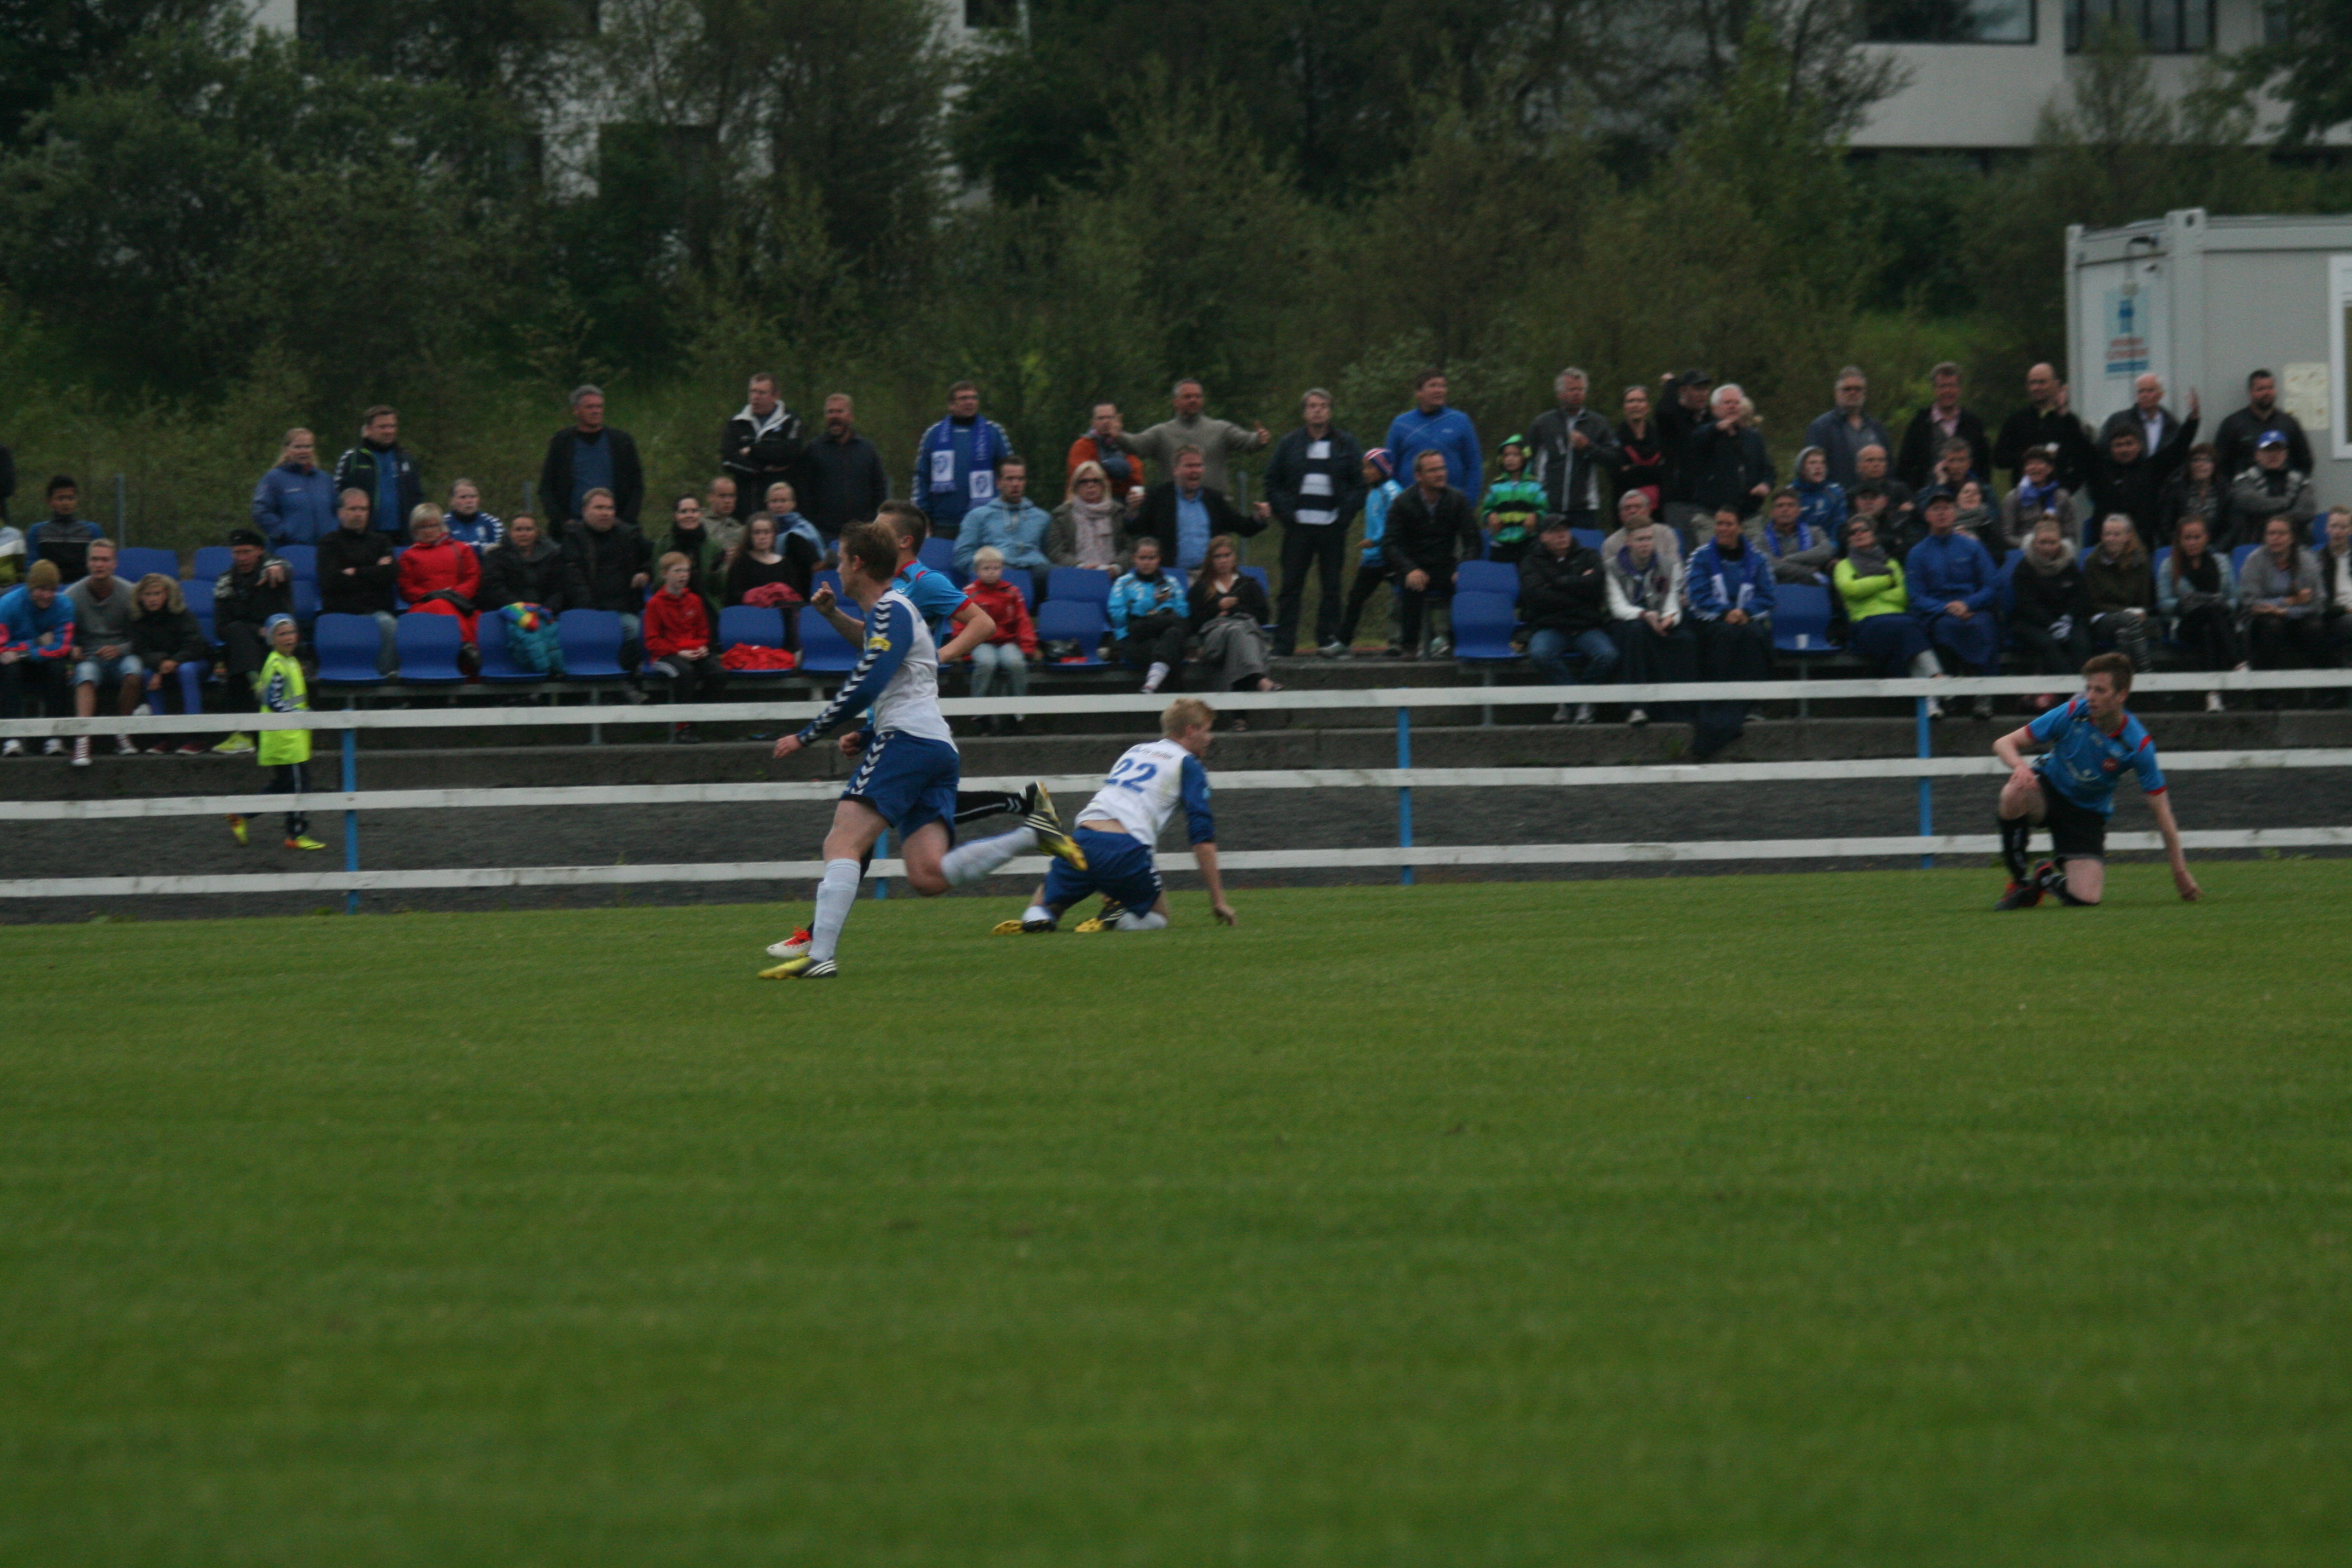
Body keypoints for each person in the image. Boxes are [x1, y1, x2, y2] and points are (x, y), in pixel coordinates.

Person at [757, 520, 1086, 980]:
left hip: (908, 741)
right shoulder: (893, 611)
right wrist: (868, 733)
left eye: (841, 560)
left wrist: (808, 734)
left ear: (857, 564)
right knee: (928, 875)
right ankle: (1031, 835)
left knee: (843, 841)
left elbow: (868, 681)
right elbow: (904, 681)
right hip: (933, 745)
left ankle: (819, 955)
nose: (837, 569)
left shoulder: (892, 609)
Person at [987, 697, 1236, 936]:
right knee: (1157, 915)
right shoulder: (1188, 764)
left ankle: (1036, 917)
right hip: (1127, 848)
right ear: (1191, 730)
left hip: (1083, 839)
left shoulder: (1136, 751)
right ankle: (1117, 918)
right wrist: (1218, 900)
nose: (1210, 738)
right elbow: (1202, 835)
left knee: (1046, 902)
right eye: (1207, 730)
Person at [1991, 653, 2197, 908]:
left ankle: (2044, 879)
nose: (2090, 696)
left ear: (2121, 695)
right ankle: (2020, 883)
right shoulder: (2071, 712)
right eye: (2088, 688)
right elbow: (2004, 743)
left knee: (2086, 898)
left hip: (2086, 812)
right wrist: (2020, 766)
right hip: (2047, 790)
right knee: (2013, 792)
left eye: (2100, 690)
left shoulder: (2138, 744)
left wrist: (2180, 871)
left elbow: (2162, 811)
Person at [1258, 387, 1364, 657]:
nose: (1318, 410)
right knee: (1291, 586)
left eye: (1323, 406)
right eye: (1313, 406)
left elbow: (1359, 484)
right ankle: (1284, 643)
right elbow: (1271, 481)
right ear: (1305, 412)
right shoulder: (1289, 443)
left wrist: (1344, 515)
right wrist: (1286, 513)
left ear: (1330, 411)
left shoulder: (1346, 444)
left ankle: (1328, 640)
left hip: (1332, 527)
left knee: (1332, 587)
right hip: (1298, 528)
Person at [221, 615, 327, 851]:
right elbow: (274, 701)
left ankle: (241, 816)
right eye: (282, 634)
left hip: (289, 737)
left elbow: (287, 699)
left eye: (291, 633)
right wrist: (300, 714)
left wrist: (303, 711)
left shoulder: (288, 661)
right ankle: (296, 834)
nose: (289, 638)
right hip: (285, 738)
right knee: (298, 786)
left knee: (283, 784)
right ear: (272, 639)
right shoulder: (278, 664)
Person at [1683, 506, 1775, 758]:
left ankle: (1753, 703)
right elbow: (1697, 595)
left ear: (1740, 528)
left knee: (1754, 635)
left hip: (1746, 618)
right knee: (1726, 634)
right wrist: (1725, 612)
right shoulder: (1701, 557)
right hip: (1712, 620)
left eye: (1729, 524)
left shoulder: (1758, 559)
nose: (1723, 529)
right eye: (1719, 524)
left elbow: (1767, 596)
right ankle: (1719, 702)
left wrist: (1745, 612)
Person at [1907, 489, 2001, 716]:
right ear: (1927, 515)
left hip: (1974, 610)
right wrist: (1946, 608)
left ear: (1955, 512)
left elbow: (1991, 585)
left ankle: (1984, 694)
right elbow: (1916, 596)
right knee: (1944, 628)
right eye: (1936, 509)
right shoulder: (1917, 553)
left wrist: (1969, 604)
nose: (1942, 513)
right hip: (1938, 613)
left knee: (1984, 626)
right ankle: (1946, 694)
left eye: (1947, 508)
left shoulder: (1973, 547)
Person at [1601, 511, 1696, 727]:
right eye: (1640, 539)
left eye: (1649, 538)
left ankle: (1682, 707)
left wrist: (1669, 619)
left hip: (1660, 617)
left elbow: (1673, 598)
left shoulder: (1669, 564)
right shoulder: (1612, 567)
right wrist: (1644, 615)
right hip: (1628, 621)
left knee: (1687, 640)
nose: (1645, 544)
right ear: (1628, 541)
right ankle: (1636, 706)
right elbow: (1617, 607)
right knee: (1637, 632)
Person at [1384, 448, 1480, 659]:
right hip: (1415, 565)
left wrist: (1464, 568)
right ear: (1419, 476)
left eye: (1442, 468)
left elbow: (1473, 540)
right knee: (1412, 585)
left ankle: (1457, 644)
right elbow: (1390, 545)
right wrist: (1409, 569)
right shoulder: (1402, 503)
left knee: (1466, 585)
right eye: (1433, 470)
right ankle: (1410, 647)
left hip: (1446, 566)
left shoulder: (1457, 499)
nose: (1440, 474)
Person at [1518, 515, 1615, 722]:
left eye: (1565, 530)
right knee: (1540, 654)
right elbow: (1536, 596)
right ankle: (1580, 702)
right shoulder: (1530, 561)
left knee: (1608, 655)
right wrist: (1579, 587)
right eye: (1555, 531)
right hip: (1549, 626)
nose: (1562, 535)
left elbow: (1597, 588)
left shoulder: (1589, 555)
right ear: (1543, 537)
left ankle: (1570, 700)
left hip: (1586, 626)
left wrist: (1557, 583)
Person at [211, 529, 293, 755]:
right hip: (244, 642)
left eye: (247, 552)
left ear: (259, 551)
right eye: (236, 552)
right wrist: (256, 630)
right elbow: (221, 627)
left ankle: (241, 734)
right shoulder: (225, 581)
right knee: (237, 635)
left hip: (274, 642)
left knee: (238, 663)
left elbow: (285, 568)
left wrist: (279, 568)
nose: (241, 558)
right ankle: (256, 683)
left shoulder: (272, 569)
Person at [1832, 514, 1938, 686]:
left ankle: (1928, 693)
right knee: (1908, 629)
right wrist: (1887, 582)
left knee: (1908, 630)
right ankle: (1935, 680)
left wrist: (1869, 591)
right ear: (1849, 539)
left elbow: (1903, 597)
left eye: (1864, 530)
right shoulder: (1843, 566)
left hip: (1898, 620)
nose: (1858, 534)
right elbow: (1851, 589)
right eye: (1853, 532)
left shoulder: (1892, 563)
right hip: (1865, 622)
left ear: (1873, 534)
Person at [1118, 378, 1270, 494]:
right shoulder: (1162, 433)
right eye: (1188, 397)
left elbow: (1247, 441)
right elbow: (1136, 445)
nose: (1193, 400)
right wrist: (1118, 435)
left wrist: (1259, 439)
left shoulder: (1220, 429)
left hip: (1215, 506)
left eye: (1198, 396)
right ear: (1175, 402)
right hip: (1175, 507)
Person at [64, 538, 142, 763]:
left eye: (105, 560)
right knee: (85, 674)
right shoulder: (71, 595)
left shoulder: (130, 593)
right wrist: (72, 648)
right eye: (95, 559)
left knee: (134, 670)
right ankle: (82, 739)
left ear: (114, 563)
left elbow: (142, 637)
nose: (100, 565)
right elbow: (63, 634)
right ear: (88, 563)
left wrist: (121, 649)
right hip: (89, 657)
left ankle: (122, 732)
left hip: (121, 656)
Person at [2157, 515, 2241, 711]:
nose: (2192, 542)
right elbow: (2164, 604)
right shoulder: (2169, 566)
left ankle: (2212, 695)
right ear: (2179, 540)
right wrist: (2189, 604)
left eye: (2197, 537)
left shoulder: (2222, 562)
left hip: (2217, 622)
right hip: (2186, 623)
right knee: (2211, 608)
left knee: (2209, 628)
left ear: (2206, 538)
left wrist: (2220, 604)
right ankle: (2237, 662)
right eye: (2187, 538)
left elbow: (2234, 599)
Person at [2005, 518, 2092, 708]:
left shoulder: (2069, 565)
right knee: (2048, 643)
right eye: (2043, 542)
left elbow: (2080, 597)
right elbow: (2026, 604)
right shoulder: (2025, 568)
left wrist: (2068, 619)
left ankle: (2084, 687)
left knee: (2080, 641)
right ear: (2034, 543)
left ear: (2060, 543)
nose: (2047, 547)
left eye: (2052, 543)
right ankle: (2071, 693)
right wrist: (2050, 624)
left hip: (2067, 619)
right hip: (2031, 622)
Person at [911, 381, 1011, 541]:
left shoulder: (994, 433)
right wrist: (922, 513)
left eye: (974, 398)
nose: (970, 402)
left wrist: (1004, 509)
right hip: (943, 522)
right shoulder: (934, 434)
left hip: (985, 520)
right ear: (951, 405)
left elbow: (1008, 474)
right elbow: (922, 476)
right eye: (964, 398)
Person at [1130, 445, 1253, 572]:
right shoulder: (1158, 497)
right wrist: (1133, 510)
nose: (1195, 470)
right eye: (1189, 466)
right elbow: (1134, 529)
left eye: (1199, 466)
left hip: (1208, 575)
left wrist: (1259, 517)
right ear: (1175, 471)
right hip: (1171, 574)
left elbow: (1242, 526)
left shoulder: (1214, 499)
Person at [559, 488, 652, 656]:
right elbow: (574, 580)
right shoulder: (574, 539)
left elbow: (655, 557)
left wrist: (646, 572)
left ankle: (626, 669)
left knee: (639, 632)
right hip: (589, 612)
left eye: (610, 508)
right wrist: (592, 613)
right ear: (585, 511)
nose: (606, 513)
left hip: (624, 610)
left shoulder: (629, 535)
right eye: (599, 508)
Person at [2238, 513, 2329, 684]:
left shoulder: (2307, 561)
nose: (2275, 538)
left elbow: (2319, 603)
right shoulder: (2255, 560)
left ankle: (2325, 687)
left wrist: (2286, 612)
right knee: (2272, 625)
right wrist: (2288, 602)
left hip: (2298, 619)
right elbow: (2249, 602)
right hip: (2262, 621)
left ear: (2292, 537)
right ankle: (2264, 687)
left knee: (2315, 627)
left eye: (2282, 534)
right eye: (2271, 533)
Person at [1526, 366, 1620, 531]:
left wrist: (1588, 447)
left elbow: (1615, 459)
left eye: (1581, 390)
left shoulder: (1598, 423)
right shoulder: (1542, 424)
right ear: (1560, 394)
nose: (1577, 394)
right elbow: (1526, 462)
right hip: (1547, 506)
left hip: (1584, 508)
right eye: (1572, 390)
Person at [317, 488, 399, 674]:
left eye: (363, 509)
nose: (359, 514)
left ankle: (384, 679)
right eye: (353, 509)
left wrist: (355, 572)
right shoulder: (329, 544)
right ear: (340, 513)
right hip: (341, 611)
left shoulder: (381, 541)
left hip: (376, 612)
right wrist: (374, 570)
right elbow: (331, 581)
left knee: (389, 625)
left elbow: (390, 574)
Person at [641, 552, 723, 738]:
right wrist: (678, 652)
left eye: (686, 571)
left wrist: (703, 647)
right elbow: (653, 642)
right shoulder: (655, 604)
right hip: (665, 655)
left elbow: (703, 632)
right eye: (677, 571)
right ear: (664, 574)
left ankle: (696, 717)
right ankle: (682, 727)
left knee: (718, 673)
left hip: (693, 651)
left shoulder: (695, 600)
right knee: (685, 673)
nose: (683, 576)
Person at [539, 385, 645, 529]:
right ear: (576, 410)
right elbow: (546, 487)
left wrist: (625, 520)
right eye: (589, 407)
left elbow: (637, 485)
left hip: (616, 527)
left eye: (599, 406)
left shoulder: (621, 442)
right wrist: (562, 521)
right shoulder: (562, 442)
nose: (596, 411)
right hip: (573, 528)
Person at [0, 559, 75, 753]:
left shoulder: (64, 606)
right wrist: (38, 642)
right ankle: (11, 738)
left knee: (58, 667)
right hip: (15, 665)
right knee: (10, 669)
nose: (47, 596)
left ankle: (54, 736)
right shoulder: (7, 605)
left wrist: (23, 653)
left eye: (52, 590)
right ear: (30, 587)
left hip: (39, 662)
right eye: (41, 589)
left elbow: (62, 647)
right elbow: (1, 649)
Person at [2086, 419, 2194, 551]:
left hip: (2142, 547)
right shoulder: (2101, 470)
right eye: (2118, 445)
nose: (2124, 450)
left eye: (2129, 444)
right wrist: (2065, 416)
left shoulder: (2151, 470)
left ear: (2140, 446)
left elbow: (2179, 448)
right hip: (2105, 546)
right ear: (2111, 448)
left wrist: (2192, 421)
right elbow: (2080, 447)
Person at [1188, 535, 1278, 695]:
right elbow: (1193, 623)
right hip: (1215, 640)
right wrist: (1217, 608)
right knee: (1238, 631)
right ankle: (1259, 679)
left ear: (1234, 557)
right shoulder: (1201, 588)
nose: (1223, 560)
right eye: (1218, 556)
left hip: (1244, 634)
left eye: (1227, 555)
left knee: (1238, 634)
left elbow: (1263, 616)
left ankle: (1239, 704)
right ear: (1210, 560)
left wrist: (1234, 609)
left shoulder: (1249, 584)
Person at [128, 574, 208, 751]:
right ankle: (161, 737)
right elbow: (141, 651)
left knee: (187, 670)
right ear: (140, 597)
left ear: (167, 595)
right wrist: (161, 664)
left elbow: (195, 646)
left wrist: (174, 662)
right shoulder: (138, 621)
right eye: (148, 594)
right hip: (161, 667)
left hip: (193, 663)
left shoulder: (183, 615)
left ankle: (195, 736)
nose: (152, 599)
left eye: (157, 594)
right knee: (147, 674)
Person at [962, 545, 1037, 726]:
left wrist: (1027, 647)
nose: (991, 572)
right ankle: (978, 711)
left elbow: (1023, 621)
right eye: (986, 568)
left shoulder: (1013, 592)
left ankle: (1018, 710)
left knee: (1015, 662)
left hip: (1007, 641)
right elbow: (961, 623)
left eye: (996, 568)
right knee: (987, 662)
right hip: (980, 642)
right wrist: (964, 650)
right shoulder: (969, 594)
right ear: (977, 570)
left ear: (1002, 569)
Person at [1384, 369, 1483, 505]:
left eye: (1442, 386)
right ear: (1418, 393)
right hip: (1411, 506)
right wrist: (1397, 503)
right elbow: (1389, 468)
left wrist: (1469, 501)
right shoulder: (1401, 424)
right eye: (1433, 386)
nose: (1439, 391)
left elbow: (1474, 465)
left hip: (1453, 505)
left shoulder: (1460, 421)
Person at [953, 455, 1053, 590]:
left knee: (1051, 574)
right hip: (996, 576)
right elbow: (962, 556)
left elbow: (1049, 553)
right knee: (1005, 575)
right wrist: (986, 570)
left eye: (1020, 479)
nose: (1016, 484)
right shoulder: (978, 516)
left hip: (1037, 574)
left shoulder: (1042, 518)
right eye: (1010, 479)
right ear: (999, 483)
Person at [1337, 449, 1400, 655]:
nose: (1365, 472)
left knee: (1404, 597)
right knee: (1356, 597)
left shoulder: (1392, 491)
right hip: (1373, 558)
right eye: (1364, 467)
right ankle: (1343, 642)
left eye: (1370, 467)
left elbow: (1394, 523)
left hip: (1391, 555)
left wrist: (1375, 540)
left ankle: (1409, 641)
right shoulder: (1373, 491)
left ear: (1382, 467)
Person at [802, 393, 889, 543]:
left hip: (862, 531)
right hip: (823, 533)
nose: (834, 416)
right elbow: (803, 490)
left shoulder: (867, 450)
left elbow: (880, 488)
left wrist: (876, 521)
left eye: (840, 411)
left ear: (851, 416)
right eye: (830, 412)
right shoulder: (813, 450)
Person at [1108, 535, 1189, 693]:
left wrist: (1150, 614)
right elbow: (1117, 616)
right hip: (1136, 639)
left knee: (1174, 634)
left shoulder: (1170, 582)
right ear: (1134, 559)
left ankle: (1153, 682)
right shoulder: (1123, 583)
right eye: (1142, 558)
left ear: (1159, 559)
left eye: (1151, 558)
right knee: (1169, 650)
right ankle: (1178, 700)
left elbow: (1183, 612)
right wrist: (1152, 604)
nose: (1147, 562)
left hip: (1166, 634)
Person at [1993, 362, 2094, 490]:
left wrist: (2067, 488)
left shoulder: (2068, 421)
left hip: (2058, 495)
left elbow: (2084, 459)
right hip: (2024, 496)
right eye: (2032, 383)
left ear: (2056, 385)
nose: (2036, 388)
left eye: (2042, 382)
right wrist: (2029, 457)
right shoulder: (2016, 421)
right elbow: (1999, 459)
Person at [1685, 383, 1773, 526]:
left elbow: (1768, 469)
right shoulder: (1704, 434)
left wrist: (1766, 484)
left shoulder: (1753, 437)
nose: (1733, 407)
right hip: (1712, 515)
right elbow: (1696, 440)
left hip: (1749, 516)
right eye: (1727, 403)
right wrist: (1717, 428)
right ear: (1714, 408)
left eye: (1737, 403)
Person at [397, 503, 482, 649]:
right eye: (423, 527)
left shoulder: (462, 549)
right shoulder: (408, 556)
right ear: (414, 530)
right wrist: (434, 596)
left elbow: (473, 578)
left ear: (441, 526)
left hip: (459, 603)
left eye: (433, 525)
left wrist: (453, 595)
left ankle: (466, 649)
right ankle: (465, 646)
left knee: (480, 618)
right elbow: (407, 588)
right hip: (425, 606)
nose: (429, 531)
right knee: (440, 604)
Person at [719, 371, 804, 517]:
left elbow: (790, 453)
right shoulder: (737, 423)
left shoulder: (790, 421)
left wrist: (753, 450)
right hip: (745, 505)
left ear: (776, 396)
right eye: (752, 392)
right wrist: (762, 468)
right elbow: (728, 461)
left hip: (779, 508)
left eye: (762, 393)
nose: (755, 397)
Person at [1896, 361, 1991, 490]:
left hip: (1966, 496)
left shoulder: (1974, 424)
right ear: (1935, 389)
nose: (1947, 391)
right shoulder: (1920, 423)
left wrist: (1979, 492)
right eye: (1942, 386)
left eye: (1952, 386)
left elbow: (1984, 466)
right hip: (1927, 496)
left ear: (1959, 389)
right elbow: (1905, 466)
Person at [333, 407, 423, 540]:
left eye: (392, 426)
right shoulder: (352, 459)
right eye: (383, 427)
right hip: (365, 536)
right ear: (369, 429)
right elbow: (338, 497)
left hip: (403, 536)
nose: (389, 431)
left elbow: (417, 496)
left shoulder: (405, 458)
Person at [2083, 514, 2157, 673]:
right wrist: (2126, 612)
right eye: (2107, 534)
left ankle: (2121, 678)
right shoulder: (2092, 562)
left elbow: (2145, 601)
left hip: (2134, 621)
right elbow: (2093, 604)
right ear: (2101, 537)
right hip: (2103, 619)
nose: (2111, 539)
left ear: (2128, 536)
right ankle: (2147, 674)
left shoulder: (2140, 562)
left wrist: (2139, 612)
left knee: (2125, 634)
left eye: (2117, 535)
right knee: (2127, 621)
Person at [2215, 367, 2314, 481]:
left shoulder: (2289, 424)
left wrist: (2295, 485)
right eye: (2261, 389)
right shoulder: (2233, 424)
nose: (2267, 393)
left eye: (2270, 388)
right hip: (2245, 489)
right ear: (2250, 392)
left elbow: (2305, 461)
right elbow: (2219, 464)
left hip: (2284, 489)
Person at [1803, 365, 1892, 491]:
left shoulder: (1877, 428)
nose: (1853, 393)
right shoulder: (1820, 428)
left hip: (1874, 497)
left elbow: (1889, 467)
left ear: (1864, 393)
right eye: (1847, 389)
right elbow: (1812, 469)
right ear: (1836, 393)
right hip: (1837, 498)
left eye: (1858, 389)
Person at [2227, 429, 2314, 552]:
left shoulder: (2301, 480)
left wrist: (2274, 521)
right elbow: (2248, 502)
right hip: (2255, 544)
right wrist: (2286, 503)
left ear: (2286, 454)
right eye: (2268, 450)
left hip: (2297, 546)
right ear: (2257, 455)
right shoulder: (2244, 480)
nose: (2274, 454)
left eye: (2279, 450)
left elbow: (2306, 511)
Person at [1655, 368, 1715, 538]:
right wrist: (1671, 384)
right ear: (1683, 391)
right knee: (1682, 548)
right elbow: (1662, 411)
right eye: (1697, 389)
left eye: (1705, 389)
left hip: (1706, 501)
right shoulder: (1672, 418)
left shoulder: (1709, 420)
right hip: (1678, 500)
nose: (1703, 394)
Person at [250, 428, 337, 547]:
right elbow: (261, 511)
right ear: (286, 449)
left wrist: (334, 532)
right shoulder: (274, 478)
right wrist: (282, 533)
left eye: (308, 447)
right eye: (298, 447)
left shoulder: (324, 479)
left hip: (324, 549)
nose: (304, 451)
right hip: (288, 549)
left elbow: (339, 510)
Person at [721, 513, 815, 621]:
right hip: (750, 619)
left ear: (774, 534)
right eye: (757, 533)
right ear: (750, 536)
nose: (762, 537)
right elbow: (732, 598)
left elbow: (793, 596)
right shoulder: (741, 563)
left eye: (767, 532)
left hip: (782, 620)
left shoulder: (786, 564)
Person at [1047, 460, 1127, 576]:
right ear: (1075, 487)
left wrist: (1116, 567)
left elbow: (1130, 547)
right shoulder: (1061, 515)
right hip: (1075, 576)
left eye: (1096, 481)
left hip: (1115, 576)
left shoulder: (1118, 512)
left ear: (1104, 485)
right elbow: (1056, 552)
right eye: (1084, 482)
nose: (1090, 485)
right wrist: (1079, 567)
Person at [479, 514, 569, 615]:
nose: (523, 534)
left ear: (537, 532)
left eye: (529, 529)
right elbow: (493, 587)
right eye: (518, 530)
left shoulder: (553, 556)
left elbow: (559, 589)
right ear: (510, 533)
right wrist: (519, 609)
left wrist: (546, 610)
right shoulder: (496, 557)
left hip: (547, 614)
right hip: (507, 613)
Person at [1477, 436, 1546, 567]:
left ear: (1524, 457)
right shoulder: (1496, 486)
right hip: (1501, 542)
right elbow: (1486, 509)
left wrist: (1536, 516)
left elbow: (1544, 509)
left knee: (1528, 572)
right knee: (1500, 573)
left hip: (1527, 542)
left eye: (1515, 455)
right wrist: (1490, 515)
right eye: (1506, 455)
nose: (1510, 459)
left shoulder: (1534, 485)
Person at [1748, 489, 1836, 584]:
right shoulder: (1761, 539)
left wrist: (1788, 559)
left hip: (1811, 587)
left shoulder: (1815, 532)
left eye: (1791, 505)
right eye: (1780, 506)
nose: (1785, 510)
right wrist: (1810, 571)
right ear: (1772, 513)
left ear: (1798, 511)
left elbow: (1827, 551)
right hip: (1777, 587)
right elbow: (1770, 565)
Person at [2001, 443, 2080, 548]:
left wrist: (2055, 545)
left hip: (2057, 550)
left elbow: (2071, 534)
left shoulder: (2063, 497)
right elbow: (2007, 536)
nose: (2034, 467)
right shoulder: (2013, 498)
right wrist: (2033, 546)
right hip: (2025, 551)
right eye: (2029, 464)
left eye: (2039, 463)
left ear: (2050, 468)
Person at [1067, 401, 1146, 503]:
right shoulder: (1082, 445)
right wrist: (1107, 469)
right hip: (1088, 502)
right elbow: (1081, 477)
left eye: (1110, 418)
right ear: (1093, 422)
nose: (1106, 422)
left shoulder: (1127, 443)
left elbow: (1137, 479)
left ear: (1118, 420)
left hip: (1123, 502)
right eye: (1101, 418)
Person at [2097, 373, 2197, 454]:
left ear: (2161, 394)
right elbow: (2102, 450)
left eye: (2150, 391)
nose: (2144, 395)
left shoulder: (2171, 424)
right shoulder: (2118, 421)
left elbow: (2180, 452)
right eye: (2141, 391)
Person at [27, 477, 99, 581]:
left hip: (83, 587)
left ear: (76, 500)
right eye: (60, 499)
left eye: (70, 498)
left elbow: (99, 563)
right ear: (50, 501)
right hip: (49, 588)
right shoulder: (38, 532)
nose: (66, 503)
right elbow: (32, 567)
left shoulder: (92, 531)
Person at [2157, 443, 2226, 550]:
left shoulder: (2224, 491)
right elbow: (2165, 525)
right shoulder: (2176, 489)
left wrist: (2216, 548)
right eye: (2196, 460)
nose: (2200, 464)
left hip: (2214, 549)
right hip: (2180, 548)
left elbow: (2231, 527)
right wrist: (2182, 545)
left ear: (2214, 465)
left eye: (2207, 460)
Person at [1615, 383, 1667, 518]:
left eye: (1640, 401)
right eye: (1631, 401)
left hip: (1659, 511)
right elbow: (1619, 477)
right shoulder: (1615, 439)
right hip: (1627, 511)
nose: (1636, 405)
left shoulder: (1660, 437)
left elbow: (1665, 474)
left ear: (1648, 407)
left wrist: (1634, 469)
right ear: (1624, 407)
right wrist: (1652, 471)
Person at [1852, 444, 1915, 547]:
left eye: (1881, 460)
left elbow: (1913, 520)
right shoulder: (1852, 494)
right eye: (1870, 460)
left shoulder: (1900, 490)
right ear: (1859, 466)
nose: (1876, 464)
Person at [659, 491, 719, 596]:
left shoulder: (713, 546)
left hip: (704, 602)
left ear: (701, 514)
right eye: (684, 512)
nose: (689, 516)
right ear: (675, 515)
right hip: (670, 601)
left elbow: (719, 587)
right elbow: (658, 582)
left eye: (694, 511)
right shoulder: (663, 545)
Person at [1789, 445, 1846, 540]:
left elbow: (1839, 525)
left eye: (1822, 463)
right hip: (1799, 545)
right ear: (1801, 468)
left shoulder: (1835, 492)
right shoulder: (1790, 494)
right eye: (1813, 463)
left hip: (1830, 546)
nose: (1819, 467)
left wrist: (1831, 545)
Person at [2321, 505, 2352, 670]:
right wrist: (2345, 610)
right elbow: (2319, 601)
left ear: (2350, 530)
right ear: (2327, 528)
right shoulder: (2317, 560)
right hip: (2336, 615)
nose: (2338, 531)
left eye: (2343, 527)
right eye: (2334, 526)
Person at [442, 479, 502, 550]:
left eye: (473, 497)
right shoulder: (442, 524)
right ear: (452, 501)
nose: (469, 501)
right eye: (463, 497)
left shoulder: (493, 523)